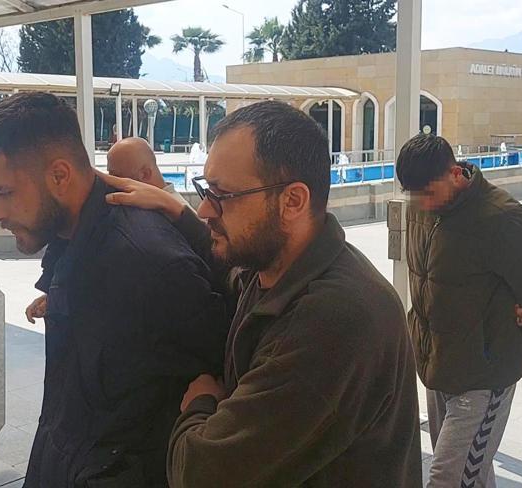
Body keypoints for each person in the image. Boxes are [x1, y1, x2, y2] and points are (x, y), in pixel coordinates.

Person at [100, 100, 423, 487]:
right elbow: (230, 271)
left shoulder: (335, 319)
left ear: (293, 201)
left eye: (221, 195)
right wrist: (175, 209)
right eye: (205, 189)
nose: (205, 210)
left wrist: (200, 403)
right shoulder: (277, 268)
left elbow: (201, 474)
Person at [0, 92, 227, 487]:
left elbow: (218, 380)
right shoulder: (69, 240)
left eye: (4, 193)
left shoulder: (148, 261)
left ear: (59, 175)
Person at [396, 134, 522, 488]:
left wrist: (521, 346)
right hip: (437, 366)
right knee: (473, 473)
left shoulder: (501, 217)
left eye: (428, 193)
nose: (422, 203)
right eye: (414, 195)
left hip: (483, 377)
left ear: (456, 173)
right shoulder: (420, 207)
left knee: (448, 478)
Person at [26, 136, 190, 324]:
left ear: (145, 174)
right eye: (108, 175)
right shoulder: (132, 212)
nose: (109, 184)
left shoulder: (175, 220)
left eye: (117, 176)